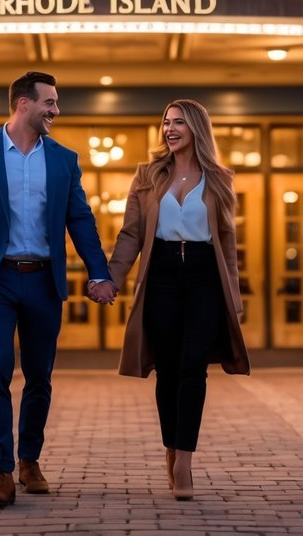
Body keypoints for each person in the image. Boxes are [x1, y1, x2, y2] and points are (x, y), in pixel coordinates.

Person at [0, 71, 117, 509]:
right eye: (50, 103)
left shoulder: (63, 159)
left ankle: (29, 460)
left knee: (39, 375)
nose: (56, 110)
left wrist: (99, 273)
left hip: (42, 279)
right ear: (23, 104)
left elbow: (80, 221)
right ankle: (2, 473)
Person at [107, 98, 250, 500]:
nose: (169, 129)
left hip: (205, 276)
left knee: (193, 369)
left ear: (197, 129)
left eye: (178, 123)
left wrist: (234, 297)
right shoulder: (147, 175)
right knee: (168, 371)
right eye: (166, 122)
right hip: (162, 276)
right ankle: (170, 447)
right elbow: (131, 234)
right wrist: (112, 279)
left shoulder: (220, 178)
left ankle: (184, 459)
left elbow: (226, 241)